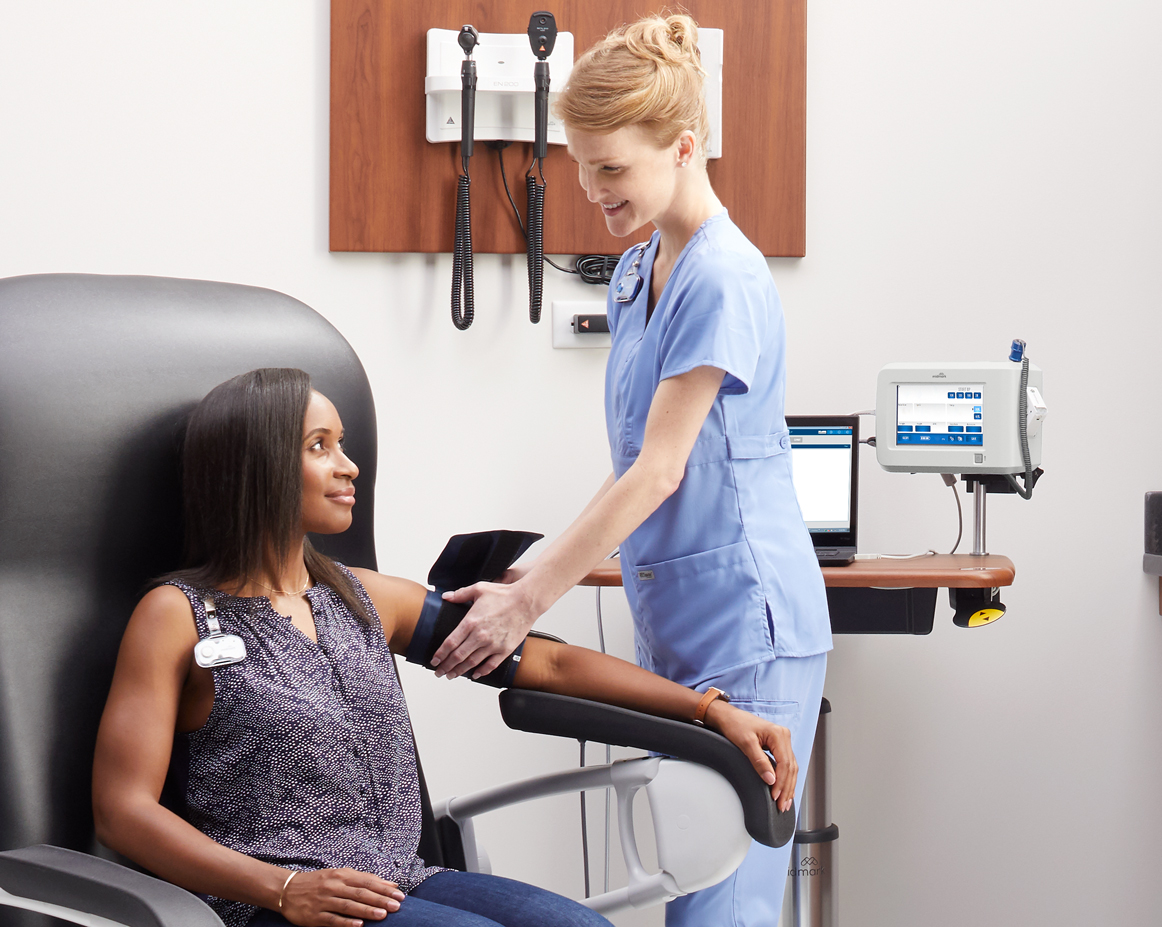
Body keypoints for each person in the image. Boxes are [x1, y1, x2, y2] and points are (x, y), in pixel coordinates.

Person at [91, 368, 797, 927]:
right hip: (274, 902)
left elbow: (546, 660)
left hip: (404, 879)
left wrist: (709, 709)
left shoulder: (361, 597)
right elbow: (122, 809)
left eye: (341, 442)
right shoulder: (178, 616)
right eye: (318, 446)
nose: (348, 467)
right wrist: (281, 888)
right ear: (256, 467)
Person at [426, 14, 832, 927]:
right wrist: (521, 578)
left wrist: (529, 605)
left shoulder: (724, 276)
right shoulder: (638, 267)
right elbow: (627, 470)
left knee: (721, 910)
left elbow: (659, 473)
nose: (592, 192)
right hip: (679, 627)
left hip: (749, 626)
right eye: (581, 167)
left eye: (613, 169)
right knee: (686, 888)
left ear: (685, 147)